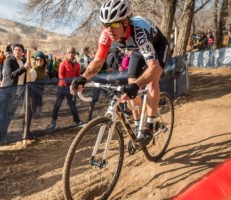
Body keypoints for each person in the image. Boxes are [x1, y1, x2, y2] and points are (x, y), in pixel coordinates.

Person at [71, 0, 169, 146]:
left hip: (156, 46)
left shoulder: (139, 31)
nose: (110, 30)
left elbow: (154, 67)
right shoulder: (107, 34)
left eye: (115, 24)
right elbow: (98, 61)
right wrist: (83, 77)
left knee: (151, 83)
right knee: (130, 86)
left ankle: (149, 125)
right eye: (106, 25)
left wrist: (138, 85)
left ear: (126, 22)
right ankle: (138, 128)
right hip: (137, 51)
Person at [0, 44, 31, 146]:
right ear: (12, 51)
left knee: (9, 115)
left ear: (22, 52)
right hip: (7, 92)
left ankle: (4, 136)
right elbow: (11, 75)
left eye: (19, 50)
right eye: (15, 49)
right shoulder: (9, 61)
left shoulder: (23, 62)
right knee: (2, 116)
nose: (17, 51)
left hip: (18, 93)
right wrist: (24, 68)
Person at [47, 47, 83, 130]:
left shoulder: (77, 64)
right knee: (57, 104)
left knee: (72, 105)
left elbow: (78, 76)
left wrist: (76, 84)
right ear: (67, 54)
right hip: (62, 87)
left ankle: (77, 121)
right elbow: (60, 76)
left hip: (72, 88)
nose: (71, 54)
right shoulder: (63, 63)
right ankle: (53, 122)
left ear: (74, 54)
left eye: (72, 53)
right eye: (69, 53)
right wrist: (68, 84)